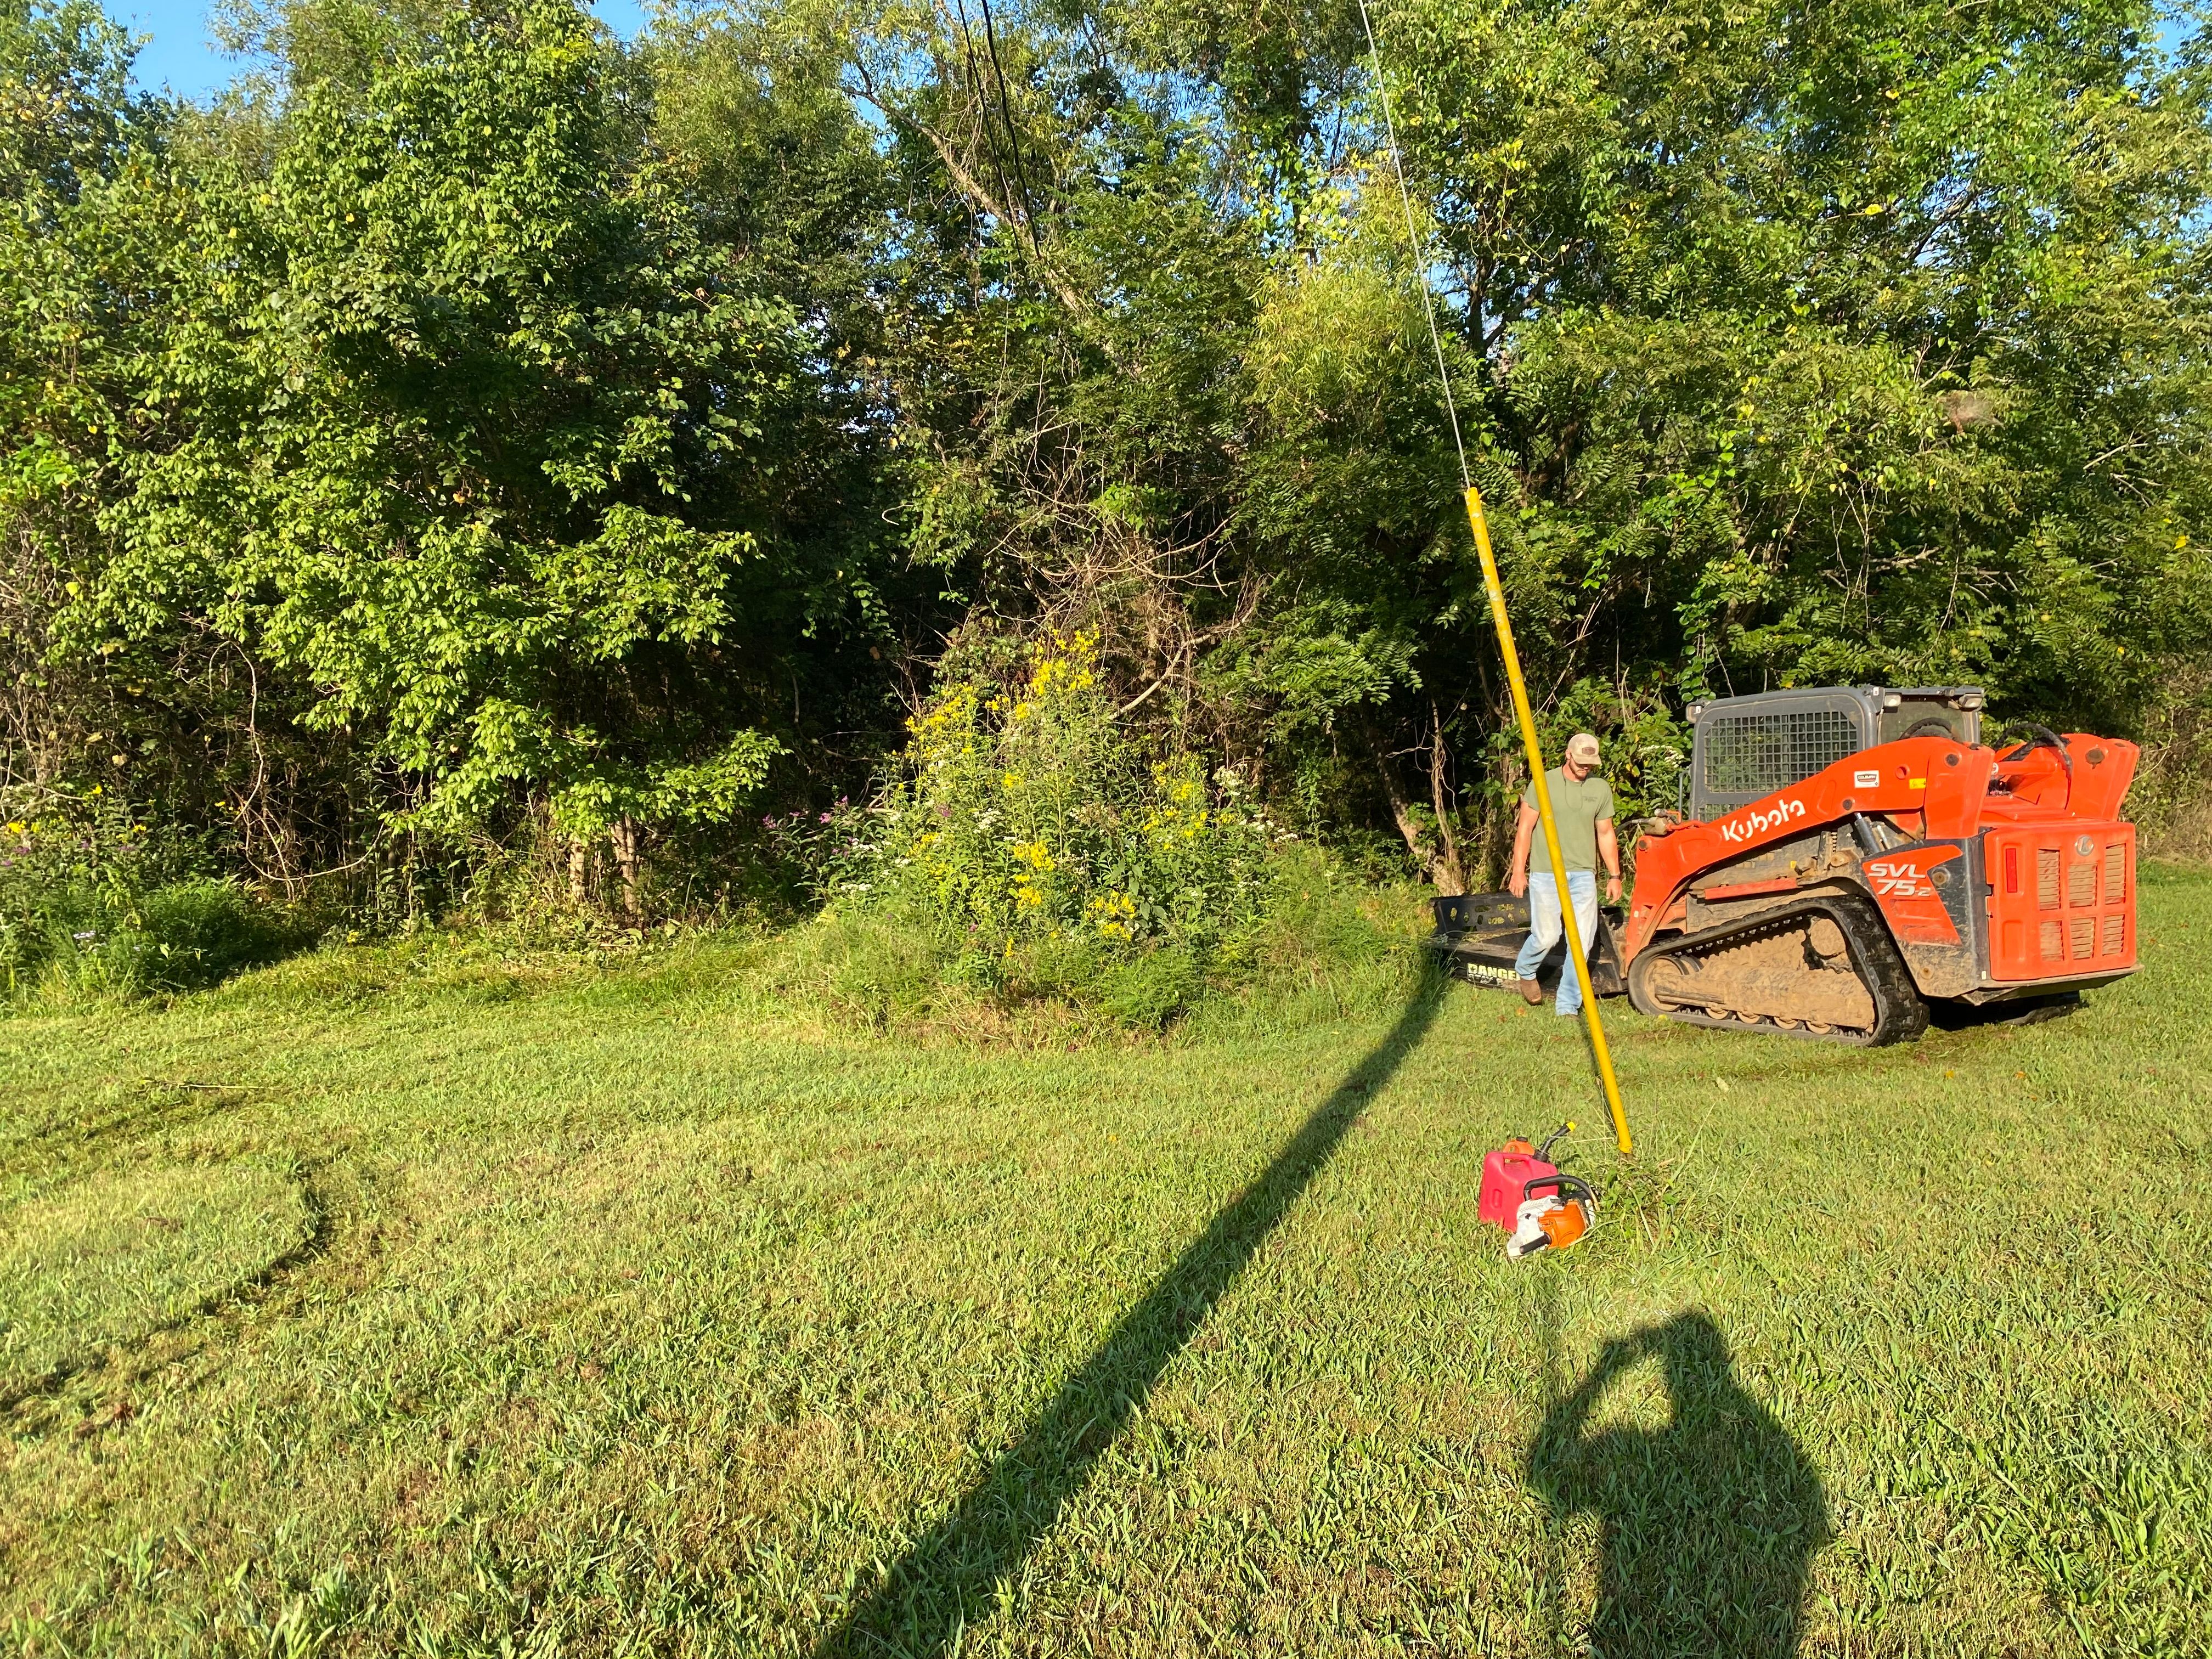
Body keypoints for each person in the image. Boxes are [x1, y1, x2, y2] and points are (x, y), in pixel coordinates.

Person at [1506, 731, 1619, 1016]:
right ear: (1568, 755)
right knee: (1547, 936)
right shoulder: (1544, 784)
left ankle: (1567, 1006)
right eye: (1581, 761)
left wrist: (1615, 875)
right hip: (1546, 872)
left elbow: (1605, 833)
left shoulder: (1600, 789)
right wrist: (1519, 871)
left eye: (1591, 763)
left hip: (1583, 874)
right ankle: (1526, 968)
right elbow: (1525, 830)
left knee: (1582, 942)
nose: (1586, 768)